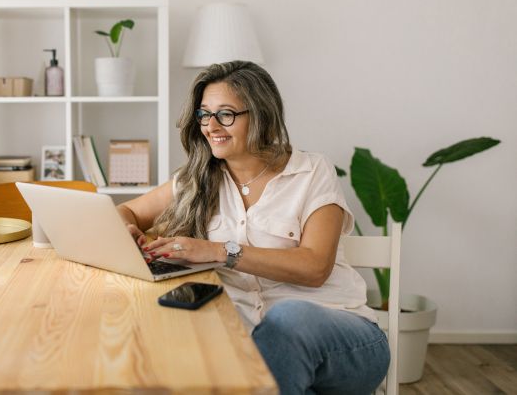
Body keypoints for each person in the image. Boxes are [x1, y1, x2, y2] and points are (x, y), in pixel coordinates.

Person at [117, 61, 389, 395]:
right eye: (204, 114)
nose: (211, 125)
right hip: (249, 346)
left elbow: (316, 267)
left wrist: (219, 252)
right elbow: (126, 210)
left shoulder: (311, 171)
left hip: (345, 343)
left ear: (261, 115)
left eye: (226, 114)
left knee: (288, 319)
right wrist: (127, 230)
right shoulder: (196, 180)